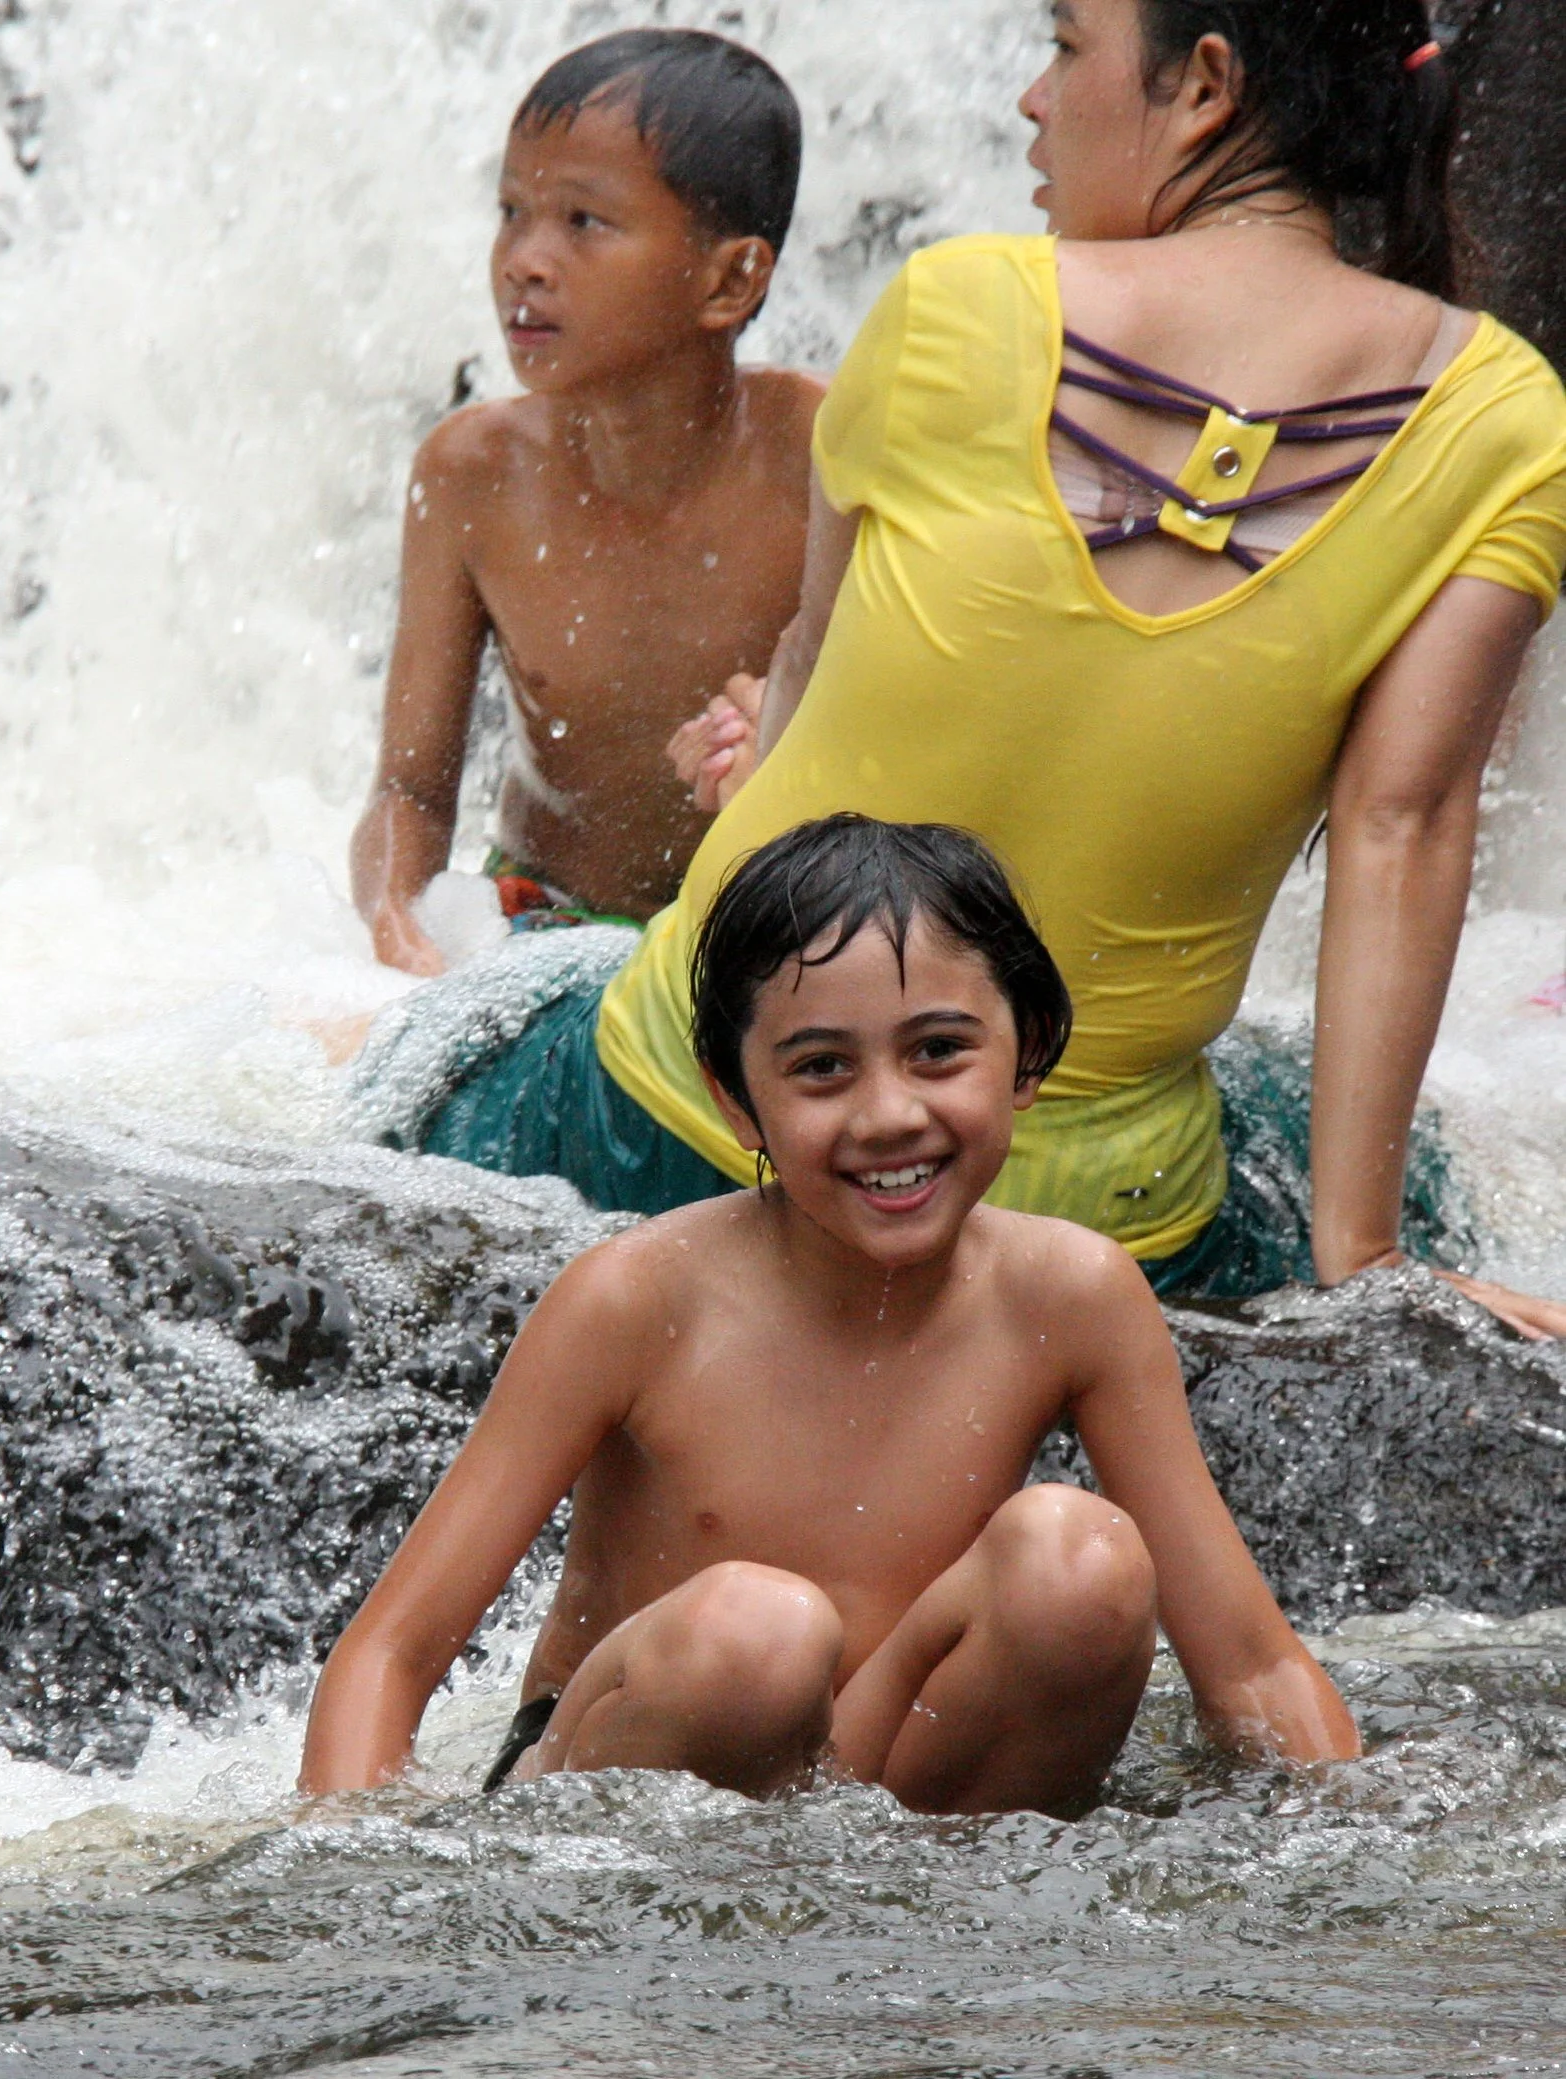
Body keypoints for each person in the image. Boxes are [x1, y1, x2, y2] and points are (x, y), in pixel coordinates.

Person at [372, 0, 1566, 1335]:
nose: (1029, 103)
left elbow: (813, 673)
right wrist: (1360, 1252)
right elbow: (1401, 823)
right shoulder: (1505, 418)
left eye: (1063, 49)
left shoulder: (959, 304)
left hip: (693, 1124)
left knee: (398, 1060)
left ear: (1206, 87)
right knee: (1299, 1121)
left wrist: (762, 760)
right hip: (1096, 1226)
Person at [302, 817, 1356, 1807]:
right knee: (755, 1636)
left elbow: (1251, 1665)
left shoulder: (1071, 1297)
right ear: (733, 1097)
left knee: (1076, 1561)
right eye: (820, 1070)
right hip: (625, 1778)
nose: (890, 1115)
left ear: (1026, 1050)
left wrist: (1354, 1860)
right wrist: (334, 1889)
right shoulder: (637, 1301)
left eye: (938, 1050)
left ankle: (933, 1950)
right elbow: (389, 1653)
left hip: (895, 1795)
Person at [350, 29, 824, 976]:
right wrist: (398, 925)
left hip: (768, 936)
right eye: (511, 211)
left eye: (583, 222)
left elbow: (923, 759)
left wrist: (790, 738)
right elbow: (408, 788)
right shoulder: (469, 472)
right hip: (537, 924)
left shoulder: (826, 454)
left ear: (732, 279)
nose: (524, 258)